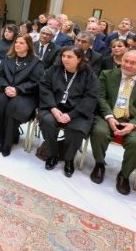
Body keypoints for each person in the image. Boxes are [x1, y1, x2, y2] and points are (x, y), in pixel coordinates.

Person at [89, 50, 136, 194]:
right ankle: (99, 164)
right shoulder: (107, 74)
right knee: (99, 132)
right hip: (108, 115)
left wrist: (134, 124)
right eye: (125, 60)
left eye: (133, 63)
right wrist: (109, 116)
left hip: (135, 121)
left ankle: (124, 175)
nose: (127, 65)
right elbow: (100, 98)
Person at [38, 47, 100, 177]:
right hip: (53, 107)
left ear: (79, 59)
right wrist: (53, 108)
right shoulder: (54, 69)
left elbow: (91, 97)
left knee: (76, 129)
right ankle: (52, 154)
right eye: (64, 56)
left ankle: (69, 159)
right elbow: (44, 87)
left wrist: (71, 115)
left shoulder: (89, 74)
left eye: (70, 57)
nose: (65, 59)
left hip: (78, 112)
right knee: (47, 121)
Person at [0, 33, 43, 155]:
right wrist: (5, 87)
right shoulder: (8, 58)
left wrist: (17, 90)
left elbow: (35, 82)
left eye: (21, 43)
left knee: (13, 107)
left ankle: (8, 142)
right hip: (6, 90)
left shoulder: (36, 62)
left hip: (25, 94)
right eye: (16, 42)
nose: (17, 45)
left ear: (28, 46)